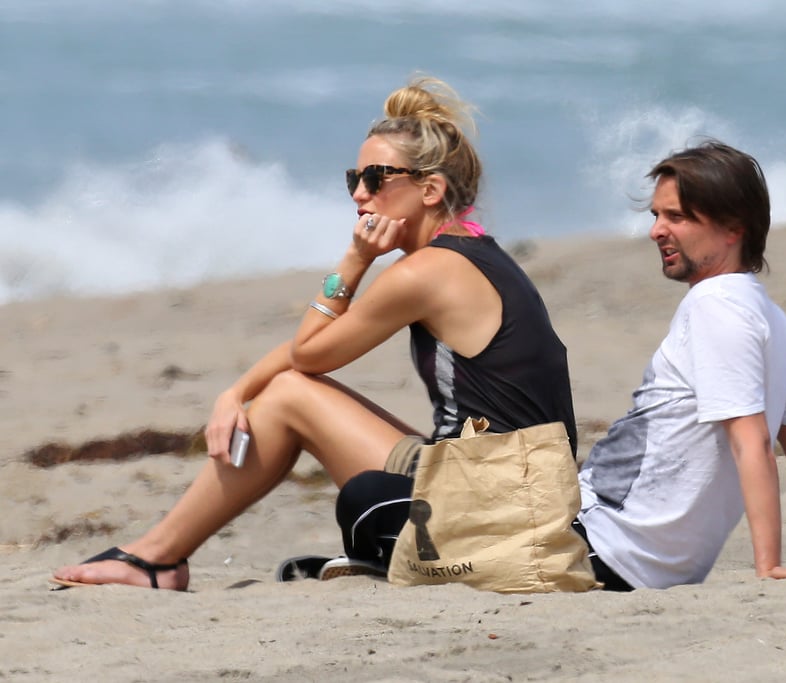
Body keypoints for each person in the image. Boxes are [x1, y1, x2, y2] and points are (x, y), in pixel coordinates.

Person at [52, 76, 577, 590]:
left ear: (431, 189)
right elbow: (311, 357)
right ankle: (157, 557)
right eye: (354, 178)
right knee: (287, 394)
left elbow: (307, 355)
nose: (359, 195)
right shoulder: (472, 254)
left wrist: (354, 261)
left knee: (288, 399)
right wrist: (236, 392)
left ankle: (155, 558)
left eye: (376, 178)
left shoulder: (426, 273)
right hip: (515, 486)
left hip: (496, 500)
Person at [574, 140, 786, 591]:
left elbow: (753, 440)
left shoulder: (714, 306)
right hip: (611, 547)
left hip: (597, 543)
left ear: (733, 228)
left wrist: (769, 567)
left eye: (675, 217)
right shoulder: (766, 314)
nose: (656, 231)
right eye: (655, 216)